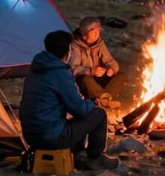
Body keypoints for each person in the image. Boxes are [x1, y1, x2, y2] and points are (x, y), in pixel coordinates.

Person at [19, 30, 119, 171]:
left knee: (74, 120)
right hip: (51, 137)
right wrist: (93, 102)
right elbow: (80, 109)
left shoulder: (36, 69)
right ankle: (95, 159)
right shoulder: (60, 73)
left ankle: (77, 155)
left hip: (30, 135)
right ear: (68, 52)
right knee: (98, 115)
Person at [69, 16, 128, 109]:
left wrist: (111, 69)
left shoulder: (99, 44)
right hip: (84, 83)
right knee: (85, 79)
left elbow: (109, 60)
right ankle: (104, 99)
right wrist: (91, 71)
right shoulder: (75, 46)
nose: (97, 33)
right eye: (93, 31)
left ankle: (104, 99)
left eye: (98, 30)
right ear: (84, 35)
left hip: (98, 80)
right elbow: (72, 69)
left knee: (122, 76)